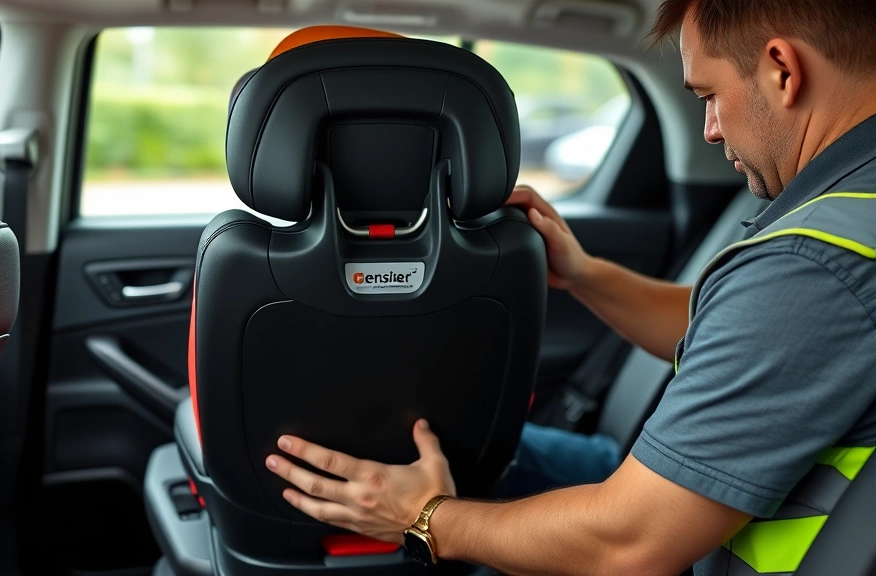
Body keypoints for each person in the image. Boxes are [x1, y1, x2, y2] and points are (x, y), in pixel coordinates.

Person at [264, 0, 876, 573]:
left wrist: (423, 518)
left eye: (709, 95)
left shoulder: (810, 263)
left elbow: (630, 544)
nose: (711, 129)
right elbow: (735, 328)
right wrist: (582, 272)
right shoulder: (845, 224)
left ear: (780, 70)